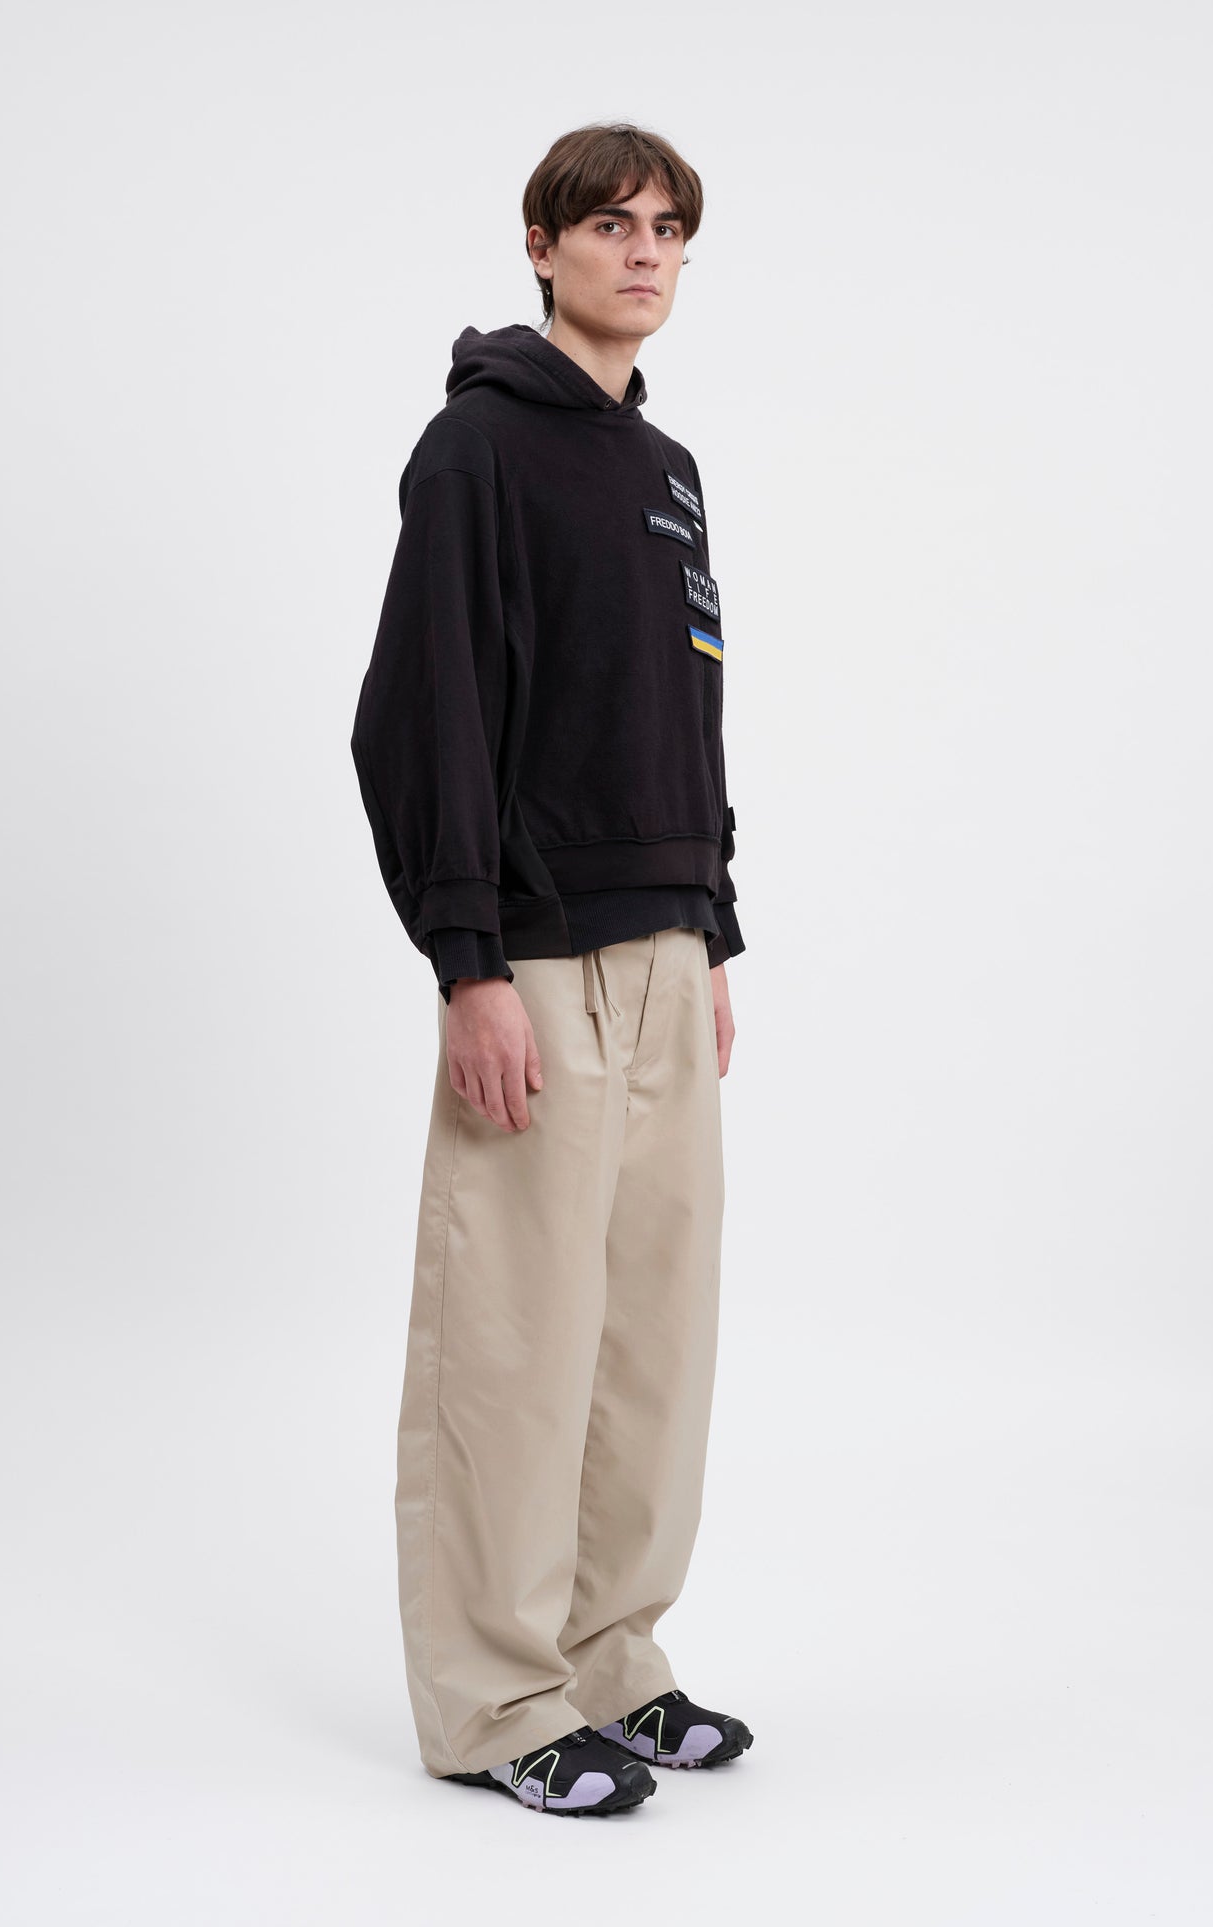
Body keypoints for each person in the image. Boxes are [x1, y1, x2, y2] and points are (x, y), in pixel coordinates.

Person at [350, 120, 754, 1817]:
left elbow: (683, 706)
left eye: (667, 229)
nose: (644, 252)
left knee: (650, 1338)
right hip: (533, 955)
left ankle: (610, 1661)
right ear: (541, 244)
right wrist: (468, 963)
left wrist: (710, 922)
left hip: (664, 949)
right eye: (610, 225)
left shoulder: (665, 468)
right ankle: (494, 1701)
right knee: (514, 1340)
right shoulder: (477, 451)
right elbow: (421, 713)